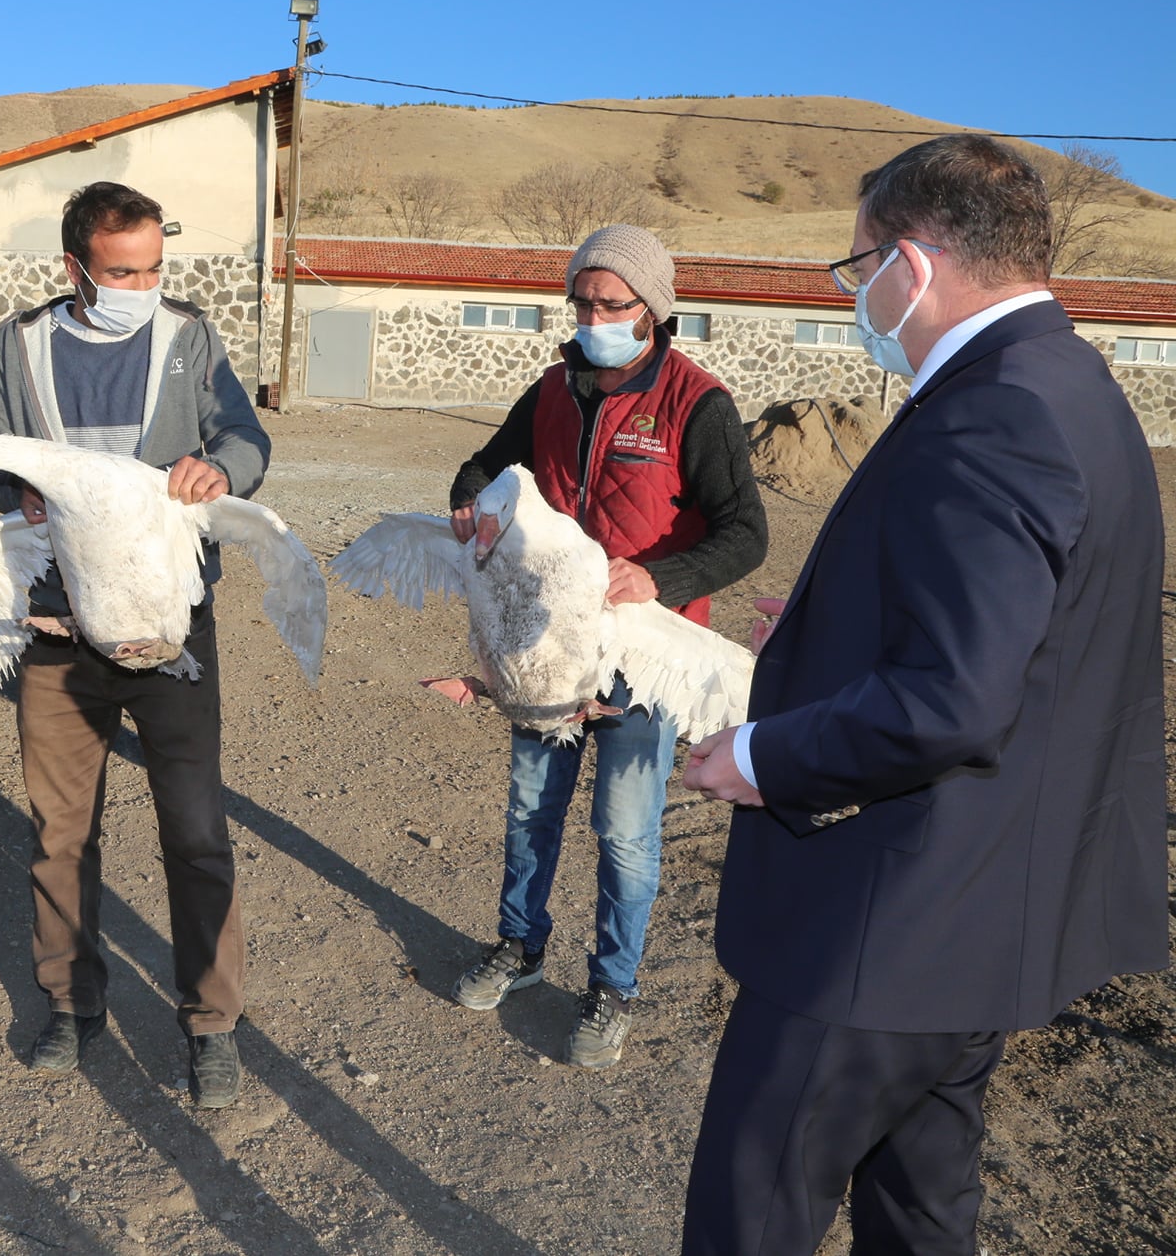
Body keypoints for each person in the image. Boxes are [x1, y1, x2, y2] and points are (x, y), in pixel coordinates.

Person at [680, 134, 1168, 1254]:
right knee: (921, 1215)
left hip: (883, 931)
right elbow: (1024, 637)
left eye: (856, 272)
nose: (857, 298)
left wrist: (755, 758)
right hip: (979, 931)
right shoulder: (1073, 385)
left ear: (909, 263)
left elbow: (953, 698)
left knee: (750, 1217)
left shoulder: (993, 413)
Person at [0, 181, 269, 1108]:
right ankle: (70, 1002)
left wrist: (221, 467)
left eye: (153, 268)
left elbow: (244, 434)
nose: (142, 285)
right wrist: (11, 488)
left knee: (195, 829)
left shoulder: (191, 336)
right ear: (75, 268)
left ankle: (212, 1023)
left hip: (172, 628)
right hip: (59, 628)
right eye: (121, 272)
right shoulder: (17, 346)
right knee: (60, 831)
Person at [444, 224, 766, 1069]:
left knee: (624, 830)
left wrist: (659, 574)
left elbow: (746, 533)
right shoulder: (552, 389)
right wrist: (469, 503)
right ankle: (520, 947)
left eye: (612, 304)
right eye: (582, 302)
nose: (593, 316)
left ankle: (613, 986)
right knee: (529, 809)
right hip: (550, 647)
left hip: (642, 655)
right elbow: (483, 466)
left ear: (653, 310)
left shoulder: (699, 403)